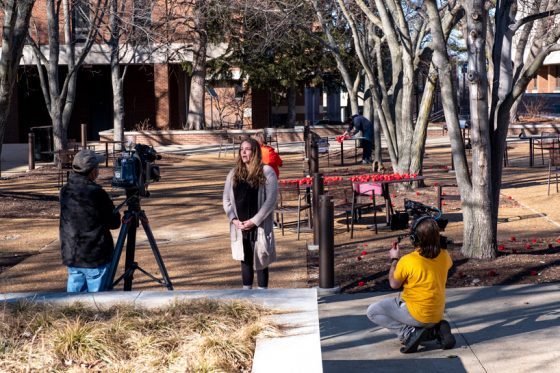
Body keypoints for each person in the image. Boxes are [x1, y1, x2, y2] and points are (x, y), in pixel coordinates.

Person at [366, 216, 456, 353]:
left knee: (373, 311)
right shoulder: (445, 256)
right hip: (436, 314)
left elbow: (394, 284)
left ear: (414, 239)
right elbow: (445, 264)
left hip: (416, 315)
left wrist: (394, 259)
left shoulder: (407, 261)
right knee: (409, 309)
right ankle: (435, 330)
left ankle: (408, 333)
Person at [60, 149, 121, 292]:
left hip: (72, 254)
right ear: (92, 171)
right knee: (97, 302)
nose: (98, 170)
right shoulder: (96, 193)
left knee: (74, 302)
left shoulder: (65, 190)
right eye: (97, 167)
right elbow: (114, 223)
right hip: (94, 255)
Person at [223, 138, 278, 289]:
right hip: (240, 226)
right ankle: (247, 294)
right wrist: (233, 219)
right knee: (245, 259)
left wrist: (254, 221)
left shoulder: (266, 172)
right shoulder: (233, 173)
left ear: (255, 152)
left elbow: (271, 200)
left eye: (247, 149)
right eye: (241, 149)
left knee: (261, 260)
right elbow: (226, 199)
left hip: (259, 225)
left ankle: (262, 296)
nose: (244, 152)